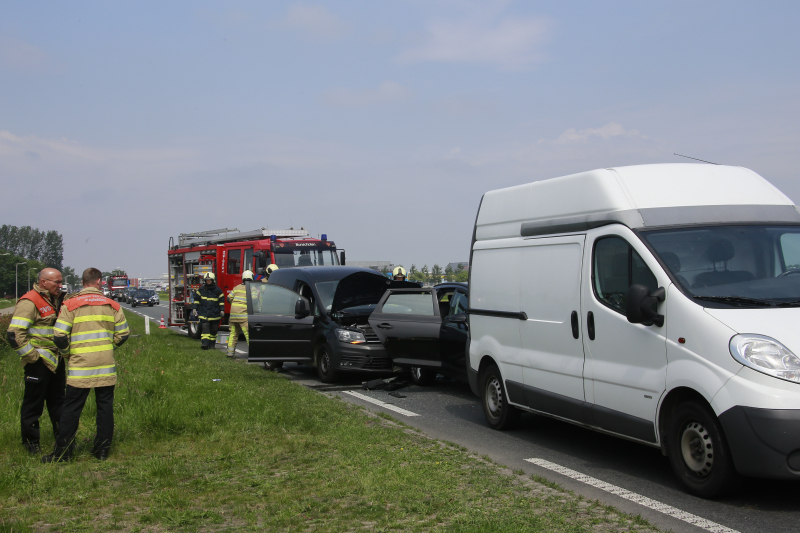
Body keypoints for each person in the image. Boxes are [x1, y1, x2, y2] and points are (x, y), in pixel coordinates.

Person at [44, 267, 129, 462]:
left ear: (82, 283)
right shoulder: (113, 305)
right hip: (105, 365)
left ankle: (63, 454)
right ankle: (102, 451)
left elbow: (59, 337)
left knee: (71, 409)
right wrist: (108, 348)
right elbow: (123, 334)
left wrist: (68, 354)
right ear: (99, 282)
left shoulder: (70, 305)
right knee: (105, 408)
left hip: (80, 365)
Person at [7, 268, 66, 454]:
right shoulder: (30, 301)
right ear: (43, 283)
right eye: (56, 282)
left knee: (58, 404)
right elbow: (14, 334)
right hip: (39, 363)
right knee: (33, 405)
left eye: (60, 282)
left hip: (56, 360)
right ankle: (31, 444)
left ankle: (63, 442)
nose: (60, 285)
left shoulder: (55, 299)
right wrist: (32, 357)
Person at [193, 272, 224, 350]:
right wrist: (194, 308)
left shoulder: (218, 290)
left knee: (214, 330)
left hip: (215, 314)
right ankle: (205, 344)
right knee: (205, 329)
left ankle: (212, 345)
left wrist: (222, 310)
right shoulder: (201, 289)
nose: (208, 281)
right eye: (207, 280)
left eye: (209, 280)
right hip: (204, 314)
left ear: (213, 280)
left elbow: (221, 301)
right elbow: (196, 299)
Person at [226, 270, 252, 358]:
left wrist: (234, 305)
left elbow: (228, 298)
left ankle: (230, 353)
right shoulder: (252, 288)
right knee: (248, 335)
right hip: (244, 317)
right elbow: (255, 302)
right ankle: (253, 354)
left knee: (233, 334)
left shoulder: (236, 287)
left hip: (233, 316)